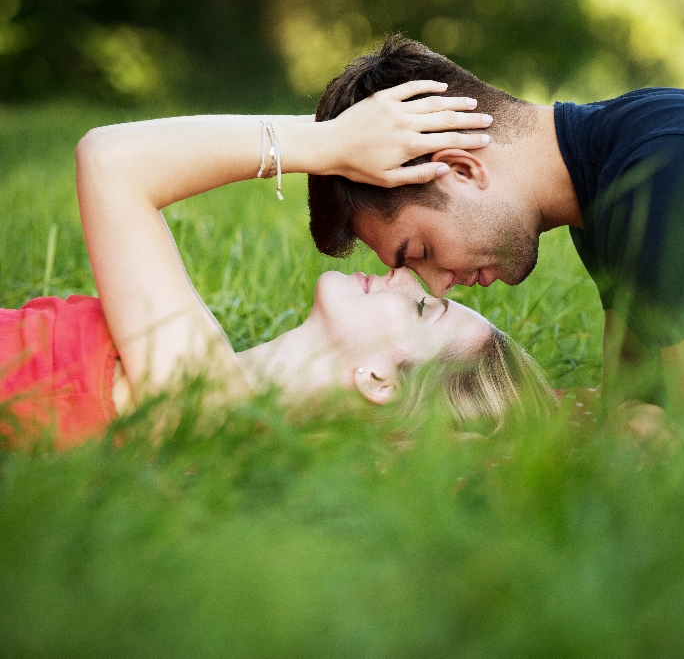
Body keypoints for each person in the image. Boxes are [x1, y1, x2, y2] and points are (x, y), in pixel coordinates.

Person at [307, 36, 684, 427]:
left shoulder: (658, 181)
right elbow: (630, 403)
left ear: (463, 169)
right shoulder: (614, 174)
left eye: (421, 250)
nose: (437, 285)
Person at [0, 81, 554, 449]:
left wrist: (331, 141)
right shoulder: (210, 391)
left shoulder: (204, 401)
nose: (406, 277)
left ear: (379, 380)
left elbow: (110, 161)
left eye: (422, 310)